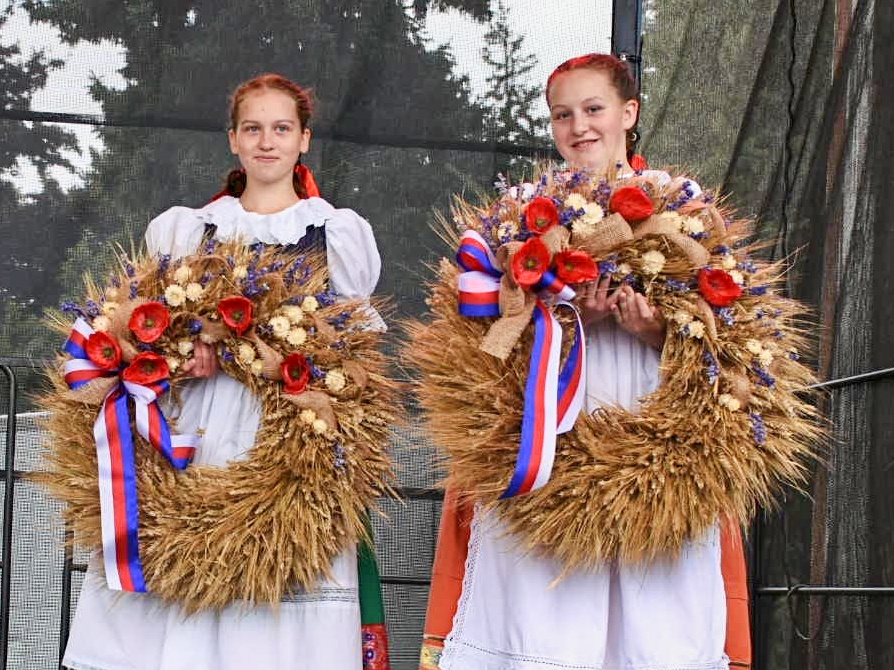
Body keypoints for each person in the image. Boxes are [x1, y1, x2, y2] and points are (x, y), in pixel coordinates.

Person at [419, 54, 751, 670]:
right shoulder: (522, 217)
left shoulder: (686, 212)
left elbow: (731, 346)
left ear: (629, 113)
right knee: (545, 601)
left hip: (654, 426)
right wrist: (574, 324)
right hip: (551, 430)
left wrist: (655, 331)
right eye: (562, 115)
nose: (579, 127)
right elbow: (480, 345)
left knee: (657, 605)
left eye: (593, 109)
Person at [62, 73, 390, 670]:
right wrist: (181, 352)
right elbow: (139, 323)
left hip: (286, 431)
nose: (268, 142)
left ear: (304, 140)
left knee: (275, 580)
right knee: (179, 559)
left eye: (282, 129)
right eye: (254, 128)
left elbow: (354, 354)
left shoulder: (336, 234)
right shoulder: (186, 229)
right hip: (194, 422)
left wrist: (274, 364)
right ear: (234, 141)